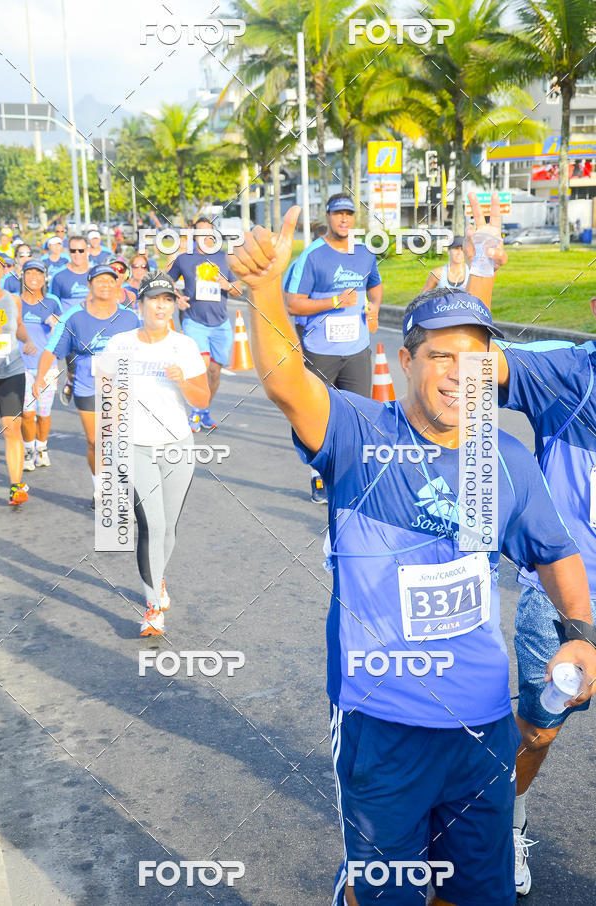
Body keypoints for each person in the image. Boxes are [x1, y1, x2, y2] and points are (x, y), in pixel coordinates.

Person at [226, 207, 596, 906]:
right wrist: (266, 291)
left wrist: (580, 634)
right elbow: (286, 381)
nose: (460, 374)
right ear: (405, 361)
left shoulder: (504, 458)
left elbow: (555, 552)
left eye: (475, 357)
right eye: (440, 356)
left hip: (482, 728)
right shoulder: (361, 433)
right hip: (382, 721)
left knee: (476, 893)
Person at [464, 192, 596, 896]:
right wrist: (483, 258)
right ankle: (504, 822)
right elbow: (470, 363)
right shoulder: (567, 376)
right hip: (568, 602)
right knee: (540, 728)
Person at [104, 272, 209, 636]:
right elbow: (107, 389)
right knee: (151, 524)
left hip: (178, 445)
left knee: (170, 526)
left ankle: (159, 578)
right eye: (154, 299)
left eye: (167, 299)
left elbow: (203, 399)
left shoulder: (185, 346)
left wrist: (183, 380)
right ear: (141, 304)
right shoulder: (120, 344)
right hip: (134, 446)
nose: (161, 305)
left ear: (174, 305)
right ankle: (152, 605)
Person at [285, 193, 382, 503]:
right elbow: (293, 303)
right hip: (320, 350)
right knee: (319, 414)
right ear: (327, 217)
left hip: (356, 349)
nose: (344, 219)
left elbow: (375, 285)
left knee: (358, 414)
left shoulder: (365, 253)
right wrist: (335, 301)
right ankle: (318, 476)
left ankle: (353, 476)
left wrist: (374, 309)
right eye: (338, 213)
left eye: (349, 214)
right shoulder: (313, 255)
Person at [32, 264, 139, 507]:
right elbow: (51, 351)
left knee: (117, 440)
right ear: (89, 285)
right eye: (99, 280)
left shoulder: (129, 317)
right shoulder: (74, 317)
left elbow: (145, 348)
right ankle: (100, 487)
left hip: (120, 386)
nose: (105, 285)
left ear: (117, 284)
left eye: (110, 280)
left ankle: (123, 494)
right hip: (85, 386)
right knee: (96, 442)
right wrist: (40, 378)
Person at [168, 217, 242, 431]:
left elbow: (238, 289)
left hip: (220, 324)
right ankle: (196, 412)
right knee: (201, 367)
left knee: (214, 372)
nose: (202, 237)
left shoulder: (224, 258)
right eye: (198, 233)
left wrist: (226, 284)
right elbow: (167, 281)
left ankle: (204, 409)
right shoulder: (185, 259)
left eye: (206, 233)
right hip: (194, 322)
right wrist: (177, 298)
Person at [0, 254, 37, 504]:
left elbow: (19, 325)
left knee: (12, 428)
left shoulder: (12, 300)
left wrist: (27, 339)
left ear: (2, 271)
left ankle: (16, 487)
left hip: (11, 370)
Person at [19, 260, 61, 471]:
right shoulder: (15, 302)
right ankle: (28, 451)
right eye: (29, 273)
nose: (33, 277)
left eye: (38, 273)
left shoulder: (52, 301)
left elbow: (61, 329)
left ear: (44, 277)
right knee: (27, 413)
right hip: (22, 367)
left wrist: (54, 323)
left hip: (48, 367)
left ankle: (42, 448)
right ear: (23, 276)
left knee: (43, 415)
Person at [49, 235, 91, 405]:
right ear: (69, 251)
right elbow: (53, 304)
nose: (77, 254)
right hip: (71, 332)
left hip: (96, 328)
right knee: (74, 370)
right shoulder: (59, 277)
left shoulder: (95, 272)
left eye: (81, 250)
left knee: (98, 371)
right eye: (73, 250)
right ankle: (71, 381)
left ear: (87, 250)